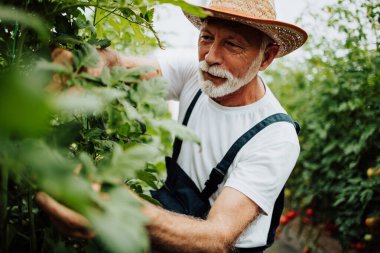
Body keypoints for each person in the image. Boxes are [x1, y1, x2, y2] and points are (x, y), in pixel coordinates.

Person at [36, 0, 308, 252]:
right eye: (206, 37)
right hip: (172, 212)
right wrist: (96, 62)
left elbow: (217, 238)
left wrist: (119, 205)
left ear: (267, 57)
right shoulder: (196, 72)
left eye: (232, 44)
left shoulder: (275, 136)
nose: (210, 57)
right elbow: (122, 66)